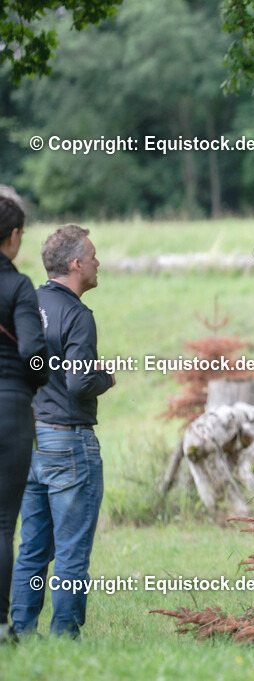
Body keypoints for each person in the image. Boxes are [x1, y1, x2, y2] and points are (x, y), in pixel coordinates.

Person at [10, 224, 115, 638]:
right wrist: (106, 377)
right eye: (92, 256)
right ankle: (65, 636)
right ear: (75, 264)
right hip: (70, 444)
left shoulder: (24, 307)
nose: (97, 262)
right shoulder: (77, 316)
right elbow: (78, 382)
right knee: (72, 551)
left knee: (31, 548)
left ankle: (19, 630)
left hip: (28, 442)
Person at [0, 195, 48, 644]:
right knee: (1, 524)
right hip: (10, 407)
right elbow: (32, 354)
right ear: (13, 237)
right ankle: (0, 626)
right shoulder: (18, 287)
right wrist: (34, 383)